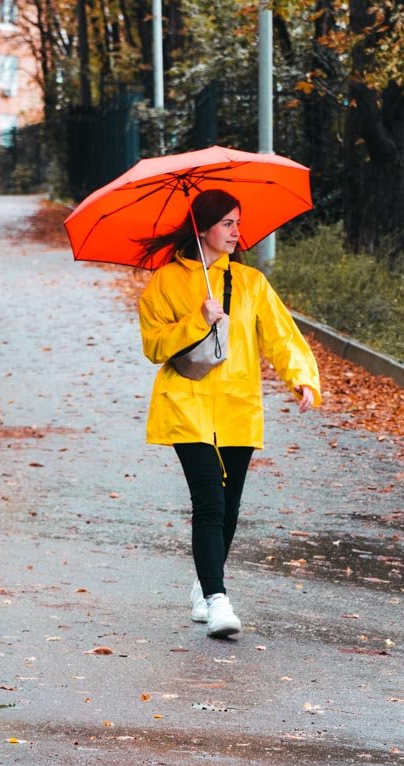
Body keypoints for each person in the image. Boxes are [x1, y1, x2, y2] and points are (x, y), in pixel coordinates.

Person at [136, 189, 321, 638]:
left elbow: (281, 335)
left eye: (239, 223)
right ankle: (218, 600)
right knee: (209, 500)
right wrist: (199, 320)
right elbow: (153, 346)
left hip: (238, 404)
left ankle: (204, 581)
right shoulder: (165, 283)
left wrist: (302, 376)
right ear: (203, 229)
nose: (238, 232)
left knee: (230, 506)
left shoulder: (251, 282)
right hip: (186, 403)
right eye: (228, 224)